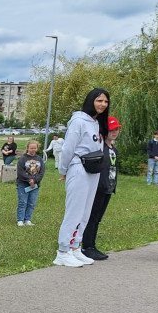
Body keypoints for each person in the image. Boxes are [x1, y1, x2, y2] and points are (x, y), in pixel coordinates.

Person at [53, 88, 108, 267]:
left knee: (85, 211)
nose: (102, 104)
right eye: (99, 100)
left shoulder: (96, 122)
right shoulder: (78, 121)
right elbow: (69, 148)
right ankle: (62, 251)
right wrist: (64, 169)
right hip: (79, 167)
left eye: (105, 102)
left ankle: (75, 246)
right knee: (74, 210)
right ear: (91, 100)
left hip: (93, 168)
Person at [81, 116, 121, 260]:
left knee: (98, 218)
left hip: (108, 187)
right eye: (111, 129)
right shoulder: (100, 146)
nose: (114, 132)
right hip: (98, 187)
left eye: (116, 129)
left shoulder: (113, 149)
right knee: (92, 217)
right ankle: (87, 246)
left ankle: (92, 245)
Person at [15, 140, 45, 226]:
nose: (33, 150)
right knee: (23, 202)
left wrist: (35, 181)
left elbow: (41, 172)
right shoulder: (22, 159)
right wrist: (29, 180)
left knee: (32, 203)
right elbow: (20, 172)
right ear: (27, 148)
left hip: (35, 185)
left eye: (34, 148)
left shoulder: (39, 159)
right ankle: (20, 219)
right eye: (31, 148)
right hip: (23, 184)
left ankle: (27, 219)